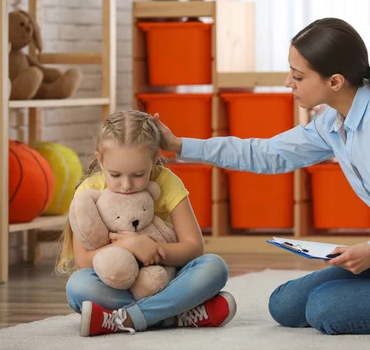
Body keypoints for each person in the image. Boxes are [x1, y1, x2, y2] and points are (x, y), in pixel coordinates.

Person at [153, 18, 370, 335]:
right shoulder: (333, 122)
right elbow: (266, 154)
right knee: (284, 305)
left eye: (297, 76)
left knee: (324, 308)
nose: (289, 82)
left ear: (334, 81)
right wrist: (178, 145)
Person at [57, 110, 237, 337]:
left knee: (214, 267)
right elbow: (83, 260)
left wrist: (155, 249)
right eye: (115, 174)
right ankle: (175, 314)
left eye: (138, 174)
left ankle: (127, 318)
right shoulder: (89, 192)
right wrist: (129, 246)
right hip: (118, 282)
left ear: (153, 160)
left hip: (168, 276)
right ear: (100, 161)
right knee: (78, 287)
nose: (126, 185)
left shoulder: (168, 182)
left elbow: (194, 248)